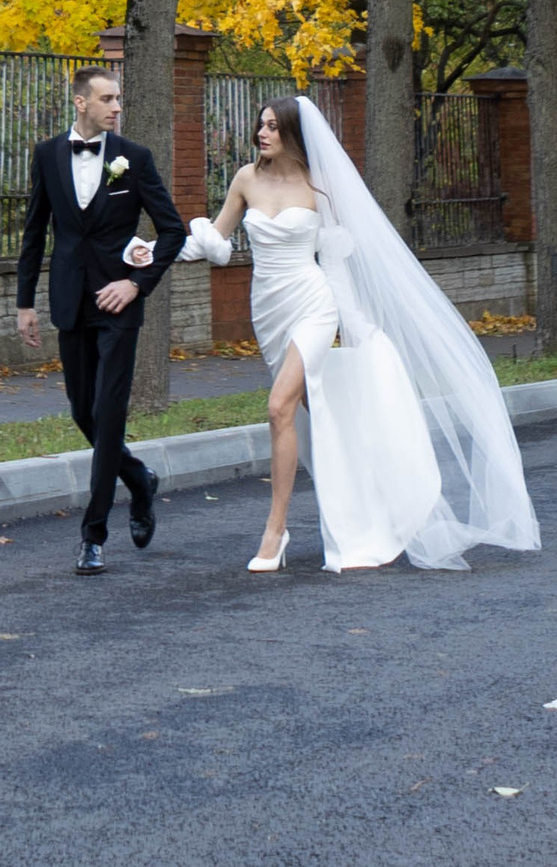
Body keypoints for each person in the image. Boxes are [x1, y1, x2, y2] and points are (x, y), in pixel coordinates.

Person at [188, 96, 538, 573]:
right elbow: (215, 241)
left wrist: (355, 326)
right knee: (316, 417)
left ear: (293, 134)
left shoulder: (320, 185)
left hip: (313, 305)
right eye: (261, 126)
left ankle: (275, 530)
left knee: (278, 407)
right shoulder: (246, 179)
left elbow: (333, 258)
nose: (262, 134)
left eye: (272, 127)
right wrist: (153, 250)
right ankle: (375, 494)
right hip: (267, 311)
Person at [15, 66, 187, 576]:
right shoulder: (48, 155)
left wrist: (136, 284)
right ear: (80, 102)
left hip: (119, 304)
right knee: (82, 412)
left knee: (109, 414)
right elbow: (34, 233)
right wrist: (24, 303)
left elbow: (172, 231)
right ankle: (139, 478)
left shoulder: (135, 158)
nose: (116, 107)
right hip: (71, 299)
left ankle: (93, 536)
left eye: (118, 99)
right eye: (107, 99)